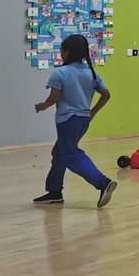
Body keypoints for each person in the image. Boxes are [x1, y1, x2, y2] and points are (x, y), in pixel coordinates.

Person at [32, 34, 117, 208]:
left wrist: (42, 106)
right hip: (83, 120)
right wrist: (92, 112)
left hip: (68, 121)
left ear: (68, 52)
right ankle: (54, 192)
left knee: (70, 154)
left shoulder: (60, 73)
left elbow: (53, 98)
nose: (61, 53)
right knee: (59, 154)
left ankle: (103, 183)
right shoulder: (90, 72)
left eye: (62, 50)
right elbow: (106, 95)